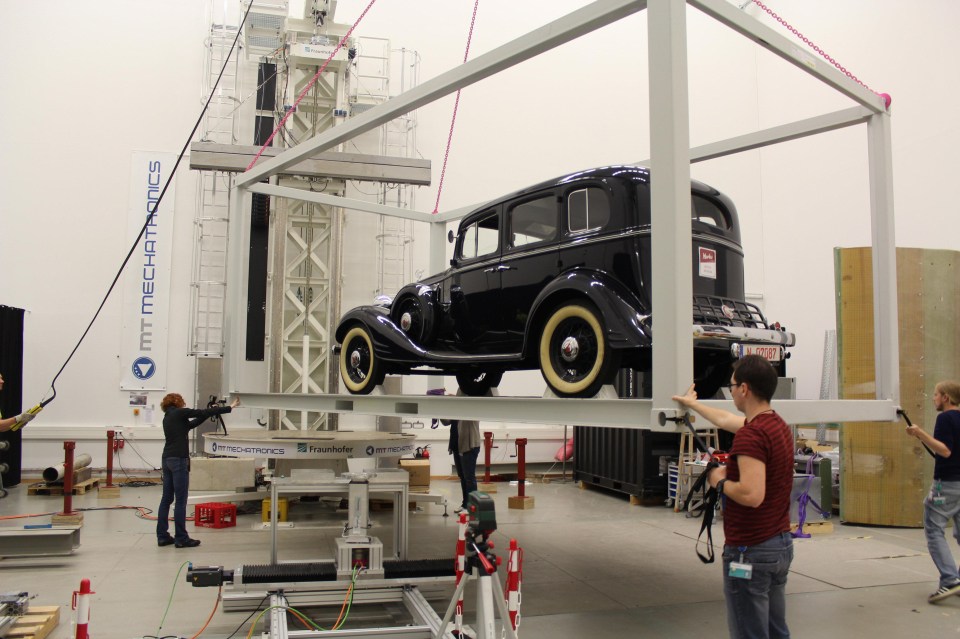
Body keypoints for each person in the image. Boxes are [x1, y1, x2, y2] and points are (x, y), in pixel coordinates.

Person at [672, 354, 794, 639]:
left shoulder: (751, 437)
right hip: (778, 547)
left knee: (748, 632)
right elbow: (727, 419)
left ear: (745, 389)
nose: (731, 390)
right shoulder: (775, 425)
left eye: (733, 385)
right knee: (777, 631)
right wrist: (692, 405)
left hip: (749, 553)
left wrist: (719, 480)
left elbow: (751, 495)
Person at [157, 393, 239, 548]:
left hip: (166, 459)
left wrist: (212, 411)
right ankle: (181, 538)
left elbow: (193, 423)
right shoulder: (180, 412)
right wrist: (229, 407)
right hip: (179, 460)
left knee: (166, 499)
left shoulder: (168, 418)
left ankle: (162, 536)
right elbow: (201, 413)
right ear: (177, 402)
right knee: (180, 500)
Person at [905, 380, 960, 603]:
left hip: (945, 485)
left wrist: (920, 433)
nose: (934, 398)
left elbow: (945, 450)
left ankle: (950, 580)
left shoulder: (945, 418)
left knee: (934, 530)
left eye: (936, 395)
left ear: (946, 397)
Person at [428, 388, 481, 513]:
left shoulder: (471, 408)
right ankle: (465, 504)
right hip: (458, 445)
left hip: (469, 445)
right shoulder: (457, 410)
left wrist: (454, 400)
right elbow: (447, 422)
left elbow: (466, 406)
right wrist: (440, 408)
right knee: (463, 477)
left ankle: (472, 507)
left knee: (469, 478)